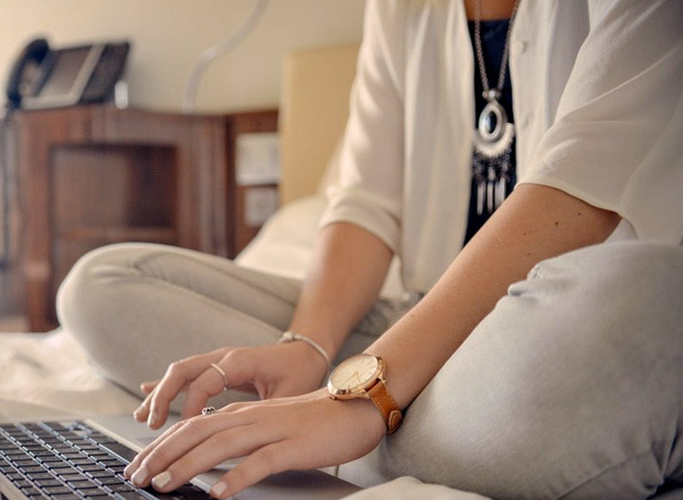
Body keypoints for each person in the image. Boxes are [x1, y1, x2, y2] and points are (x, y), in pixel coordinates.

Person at [57, 1, 683, 498]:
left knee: (648, 296)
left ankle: (343, 425)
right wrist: (309, 349)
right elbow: (365, 202)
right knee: (105, 284)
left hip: (558, 325)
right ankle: (352, 421)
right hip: (417, 318)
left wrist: (361, 398)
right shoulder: (399, 6)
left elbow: (580, 185)